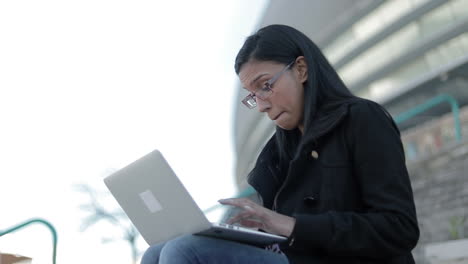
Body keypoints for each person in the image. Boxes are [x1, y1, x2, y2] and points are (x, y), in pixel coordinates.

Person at [141, 24, 419, 264]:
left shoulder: (361, 119)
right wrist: (249, 233)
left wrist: (291, 226)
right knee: (156, 253)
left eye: (265, 86)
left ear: (301, 69)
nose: (261, 105)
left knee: (186, 250)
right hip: (296, 257)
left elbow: (399, 228)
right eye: (252, 96)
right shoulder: (275, 153)